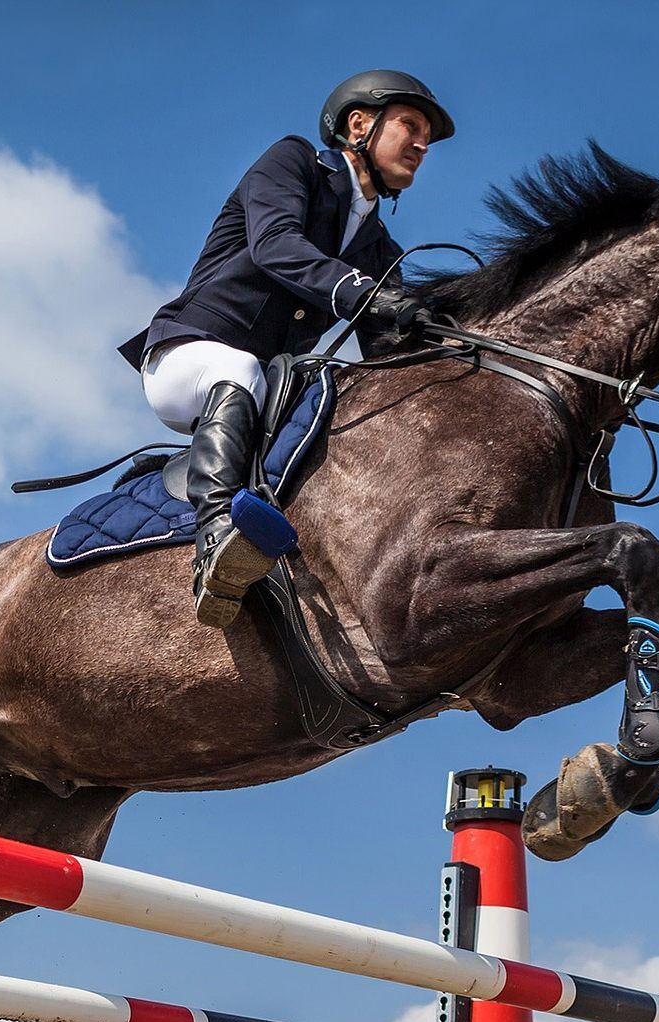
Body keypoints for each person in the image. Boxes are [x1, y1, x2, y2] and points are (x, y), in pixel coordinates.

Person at [118, 71, 454, 628]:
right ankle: (218, 537)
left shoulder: (380, 247)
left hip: (268, 383)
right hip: (187, 355)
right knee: (240, 366)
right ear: (358, 124)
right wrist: (364, 293)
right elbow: (276, 246)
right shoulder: (292, 160)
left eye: (427, 137)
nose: (422, 144)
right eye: (411, 126)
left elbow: (386, 356)